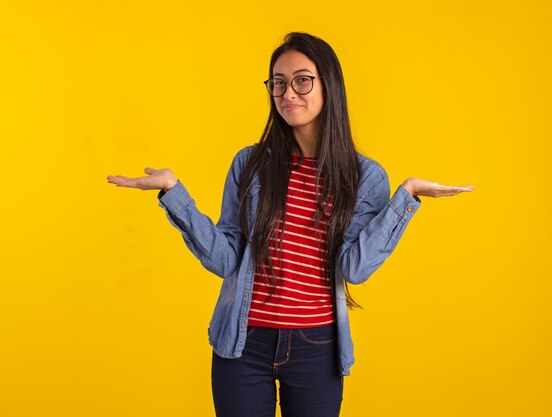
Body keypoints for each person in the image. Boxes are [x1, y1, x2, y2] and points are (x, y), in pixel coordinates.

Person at [107, 32, 473, 417]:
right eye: (278, 83)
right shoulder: (249, 163)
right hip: (242, 343)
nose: (288, 93)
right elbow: (225, 260)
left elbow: (355, 269)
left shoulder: (364, 177)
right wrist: (173, 193)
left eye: (302, 80)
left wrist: (407, 197)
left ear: (328, 85)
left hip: (317, 347)